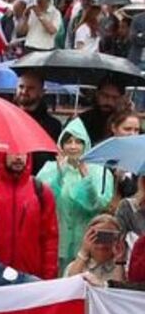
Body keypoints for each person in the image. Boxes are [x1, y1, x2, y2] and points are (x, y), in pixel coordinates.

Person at [37, 119, 115, 278]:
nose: (73, 146)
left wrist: (86, 179)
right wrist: (59, 175)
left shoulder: (99, 171)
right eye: (68, 141)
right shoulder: (49, 169)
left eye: (78, 142)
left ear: (86, 144)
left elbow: (98, 205)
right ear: (61, 145)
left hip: (87, 246)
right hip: (57, 244)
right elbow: (43, 202)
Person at [12, 72, 65, 172]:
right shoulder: (7, 117)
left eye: (31, 88)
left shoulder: (53, 125)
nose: (24, 91)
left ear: (42, 92)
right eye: (21, 86)